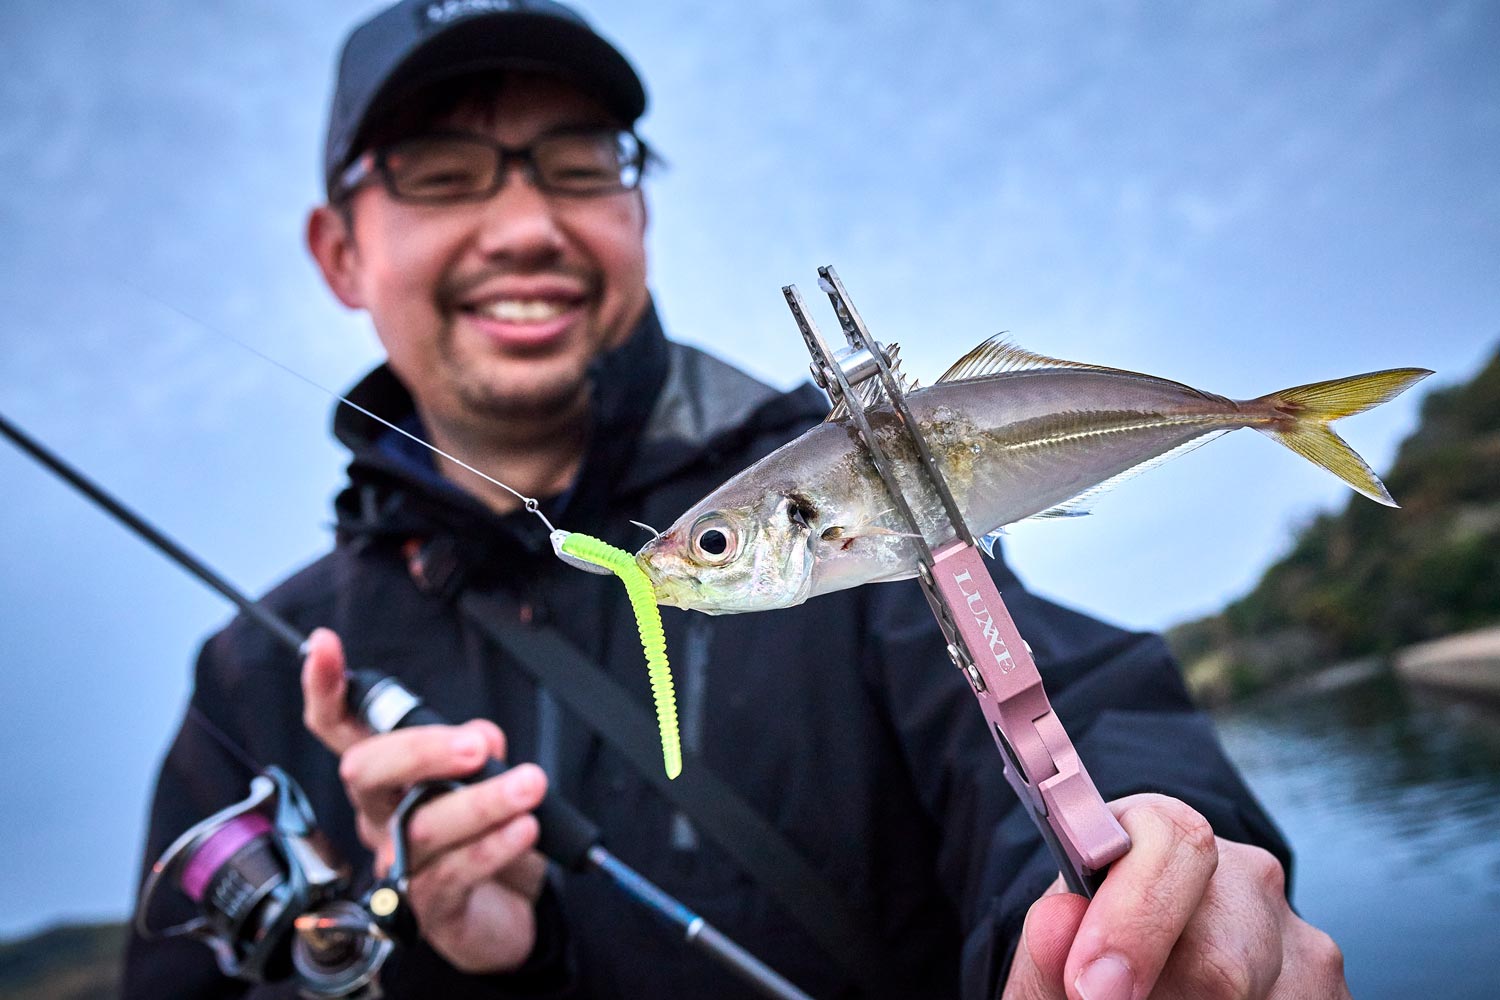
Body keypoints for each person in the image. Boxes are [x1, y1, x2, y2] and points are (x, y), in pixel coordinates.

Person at [124, 2, 1351, 997]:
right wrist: (386, 950)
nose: (525, 221)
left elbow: (1060, 714)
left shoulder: (842, 480)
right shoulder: (255, 679)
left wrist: (1155, 870)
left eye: (579, 161)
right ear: (340, 250)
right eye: (442, 174)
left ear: (637, 209)